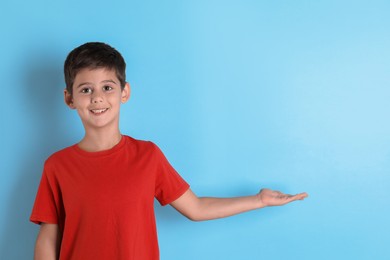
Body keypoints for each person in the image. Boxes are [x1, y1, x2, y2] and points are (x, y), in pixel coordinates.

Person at [30, 42, 308, 260]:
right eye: (86, 89)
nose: (98, 97)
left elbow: (196, 208)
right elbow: (48, 236)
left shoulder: (147, 156)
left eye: (107, 87)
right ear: (70, 98)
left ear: (124, 92)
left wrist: (258, 200)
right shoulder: (57, 166)